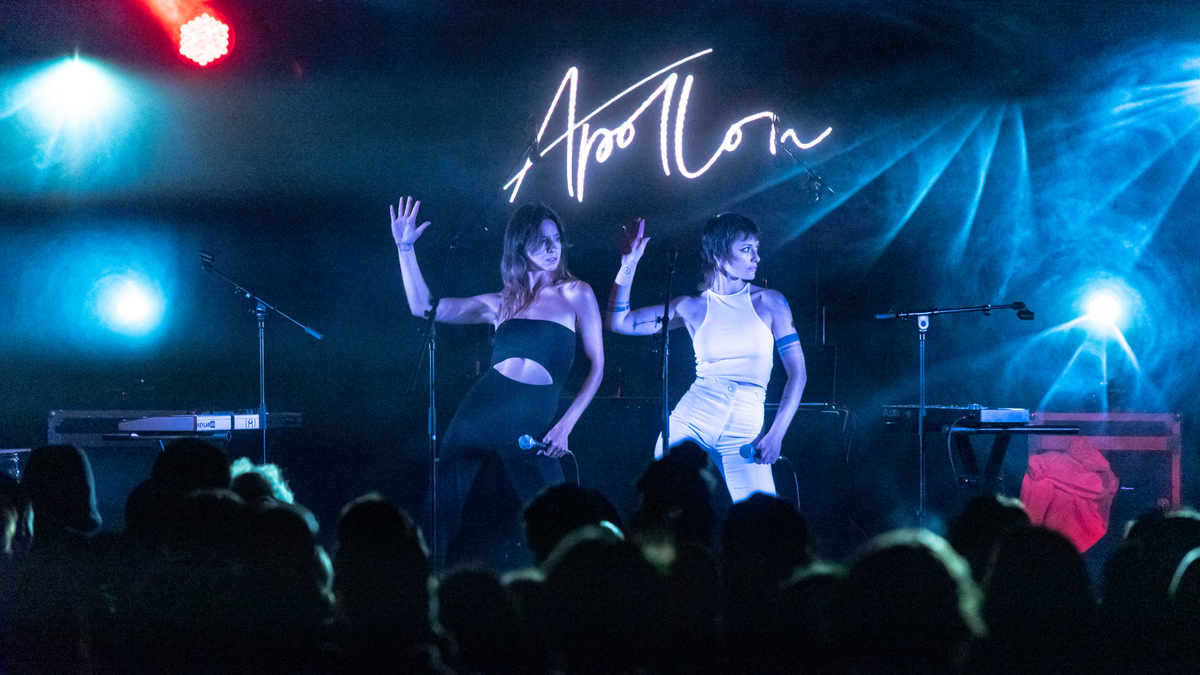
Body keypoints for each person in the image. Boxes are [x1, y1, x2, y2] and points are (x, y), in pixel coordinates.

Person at [391, 197, 604, 570]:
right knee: (442, 502)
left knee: (558, 514)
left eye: (556, 239)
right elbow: (422, 306)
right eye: (542, 241)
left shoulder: (576, 293)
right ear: (520, 246)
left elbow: (597, 366)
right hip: (483, 405)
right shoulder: (501, 302)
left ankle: (572, 596)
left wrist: (566, 425)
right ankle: (424, 589)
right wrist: (405, 248)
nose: (553, 249)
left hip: (531, 414)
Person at [605, 213, 805, 502]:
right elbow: (618, 322)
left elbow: (798, 373)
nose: (756, 258)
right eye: (746, 249)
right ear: (719, 255)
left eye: (756, 248)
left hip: (745, 426)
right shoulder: (690, 307)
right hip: (694, 416)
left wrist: (776, 434)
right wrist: (629, 265)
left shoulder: (771, 302)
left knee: (762, 522)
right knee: (667, 504)